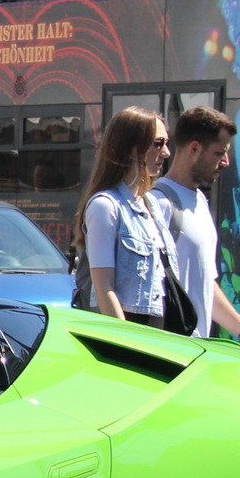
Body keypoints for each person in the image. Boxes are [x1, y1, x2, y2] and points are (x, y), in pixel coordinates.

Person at [152, 106, 240, 354]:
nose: (226, 162)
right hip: (168, 351)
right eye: (219, 153)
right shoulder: (158, 204)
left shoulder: (199, 202)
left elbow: (204, 282)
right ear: (194, 149)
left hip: (195, 351)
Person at [81, 106, 179, 328]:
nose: (166, 153)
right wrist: (126, 342)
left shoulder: (152, 204)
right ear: (132, 148)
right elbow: (104, 288)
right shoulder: (105, 206)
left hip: (163, 333)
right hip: (130, 332)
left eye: (166, 143)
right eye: (158, 143)